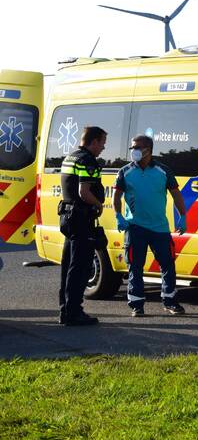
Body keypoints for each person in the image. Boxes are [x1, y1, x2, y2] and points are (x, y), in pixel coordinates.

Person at [113, 134, 188, 317]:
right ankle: (136, 305)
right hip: (135, 227)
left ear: (148, 150)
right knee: (135, 267)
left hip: (159, 228)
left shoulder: (163, 171)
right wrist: (118, 216)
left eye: (137, 148)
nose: (134, 151)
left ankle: (170, 301)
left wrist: (183, 216)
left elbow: (176, 194)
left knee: (168, 265)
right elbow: (116, 196)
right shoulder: (125, 171)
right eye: (132, 148)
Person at [58, 125, 107, 326]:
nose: (103, 147)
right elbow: (84, 192)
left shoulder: (70, 157)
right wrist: (99, 204)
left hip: (68, 217)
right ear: (94, 141)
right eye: (102, 143)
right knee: (80, 267)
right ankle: (74, 312)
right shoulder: (87, 160)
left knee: (68, 265)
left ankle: (65, 309)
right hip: (80, 219)